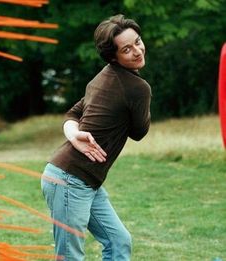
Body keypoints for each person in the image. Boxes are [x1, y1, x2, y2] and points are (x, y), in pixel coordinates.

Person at [41, 14, 151, 261]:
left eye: (138, 41)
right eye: (126, 49)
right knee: (69, 256)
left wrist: (73, 133)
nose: (137, 51)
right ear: (113, 57)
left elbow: (72, 113)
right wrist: (74, 135)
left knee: (118, 241)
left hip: (81, 179)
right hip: (70, 179)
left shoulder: (106, 75)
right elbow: (139, 132)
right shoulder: (137, 87)